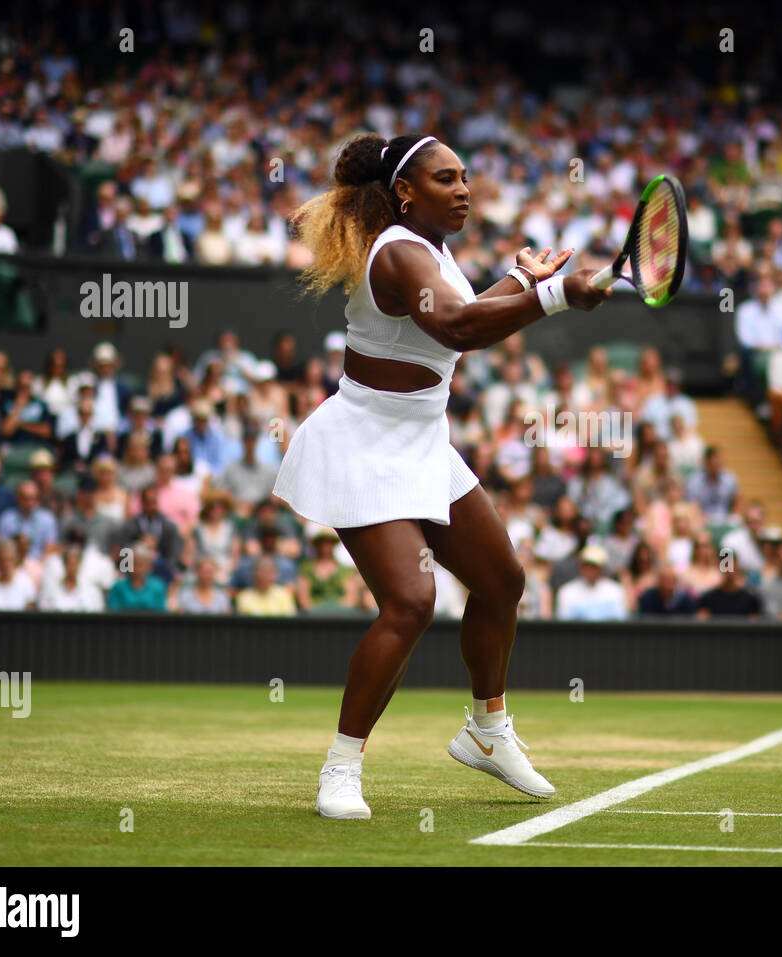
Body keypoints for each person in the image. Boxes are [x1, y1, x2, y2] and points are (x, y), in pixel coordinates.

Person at [273, 133, 611, 820]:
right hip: (363, 442)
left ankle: (487, 730)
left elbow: (455, 316)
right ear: (405, 192)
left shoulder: (429, 249)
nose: (463, 189)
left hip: (423, 440)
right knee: (410, 602)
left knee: (502, 582)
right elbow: (457, 328)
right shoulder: (398, 252)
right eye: (444, 178)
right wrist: (552, 296)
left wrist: (525, 283)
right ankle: (340, 767)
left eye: (465, 177)